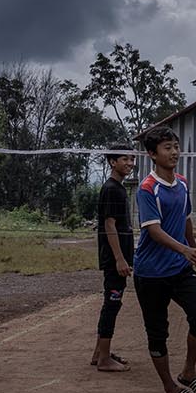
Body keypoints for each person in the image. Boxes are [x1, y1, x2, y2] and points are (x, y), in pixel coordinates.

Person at [133, 126, 196, 393]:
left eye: (176, 146)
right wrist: (185, 249)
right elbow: (153, 231)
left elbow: (186, 217)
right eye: (167, 148)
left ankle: (188, 372)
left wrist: (193, 248)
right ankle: (169, 386)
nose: (174, 152)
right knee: (158, 333)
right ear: (152, 154)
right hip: (150, 273)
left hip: (179, 268)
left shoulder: (182, 183)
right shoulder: (147, 188)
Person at [90, 150, 135, 373]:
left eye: (132, 159)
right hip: (114, 260)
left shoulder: (118, 188)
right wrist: (119, 259)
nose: (130, 163)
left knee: (112, 303)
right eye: (125, 159)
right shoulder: (111, 189)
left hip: (120, 257)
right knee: (112, 303)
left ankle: (100, 352)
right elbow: (109, 225)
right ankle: (105, 359)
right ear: (112, 162)